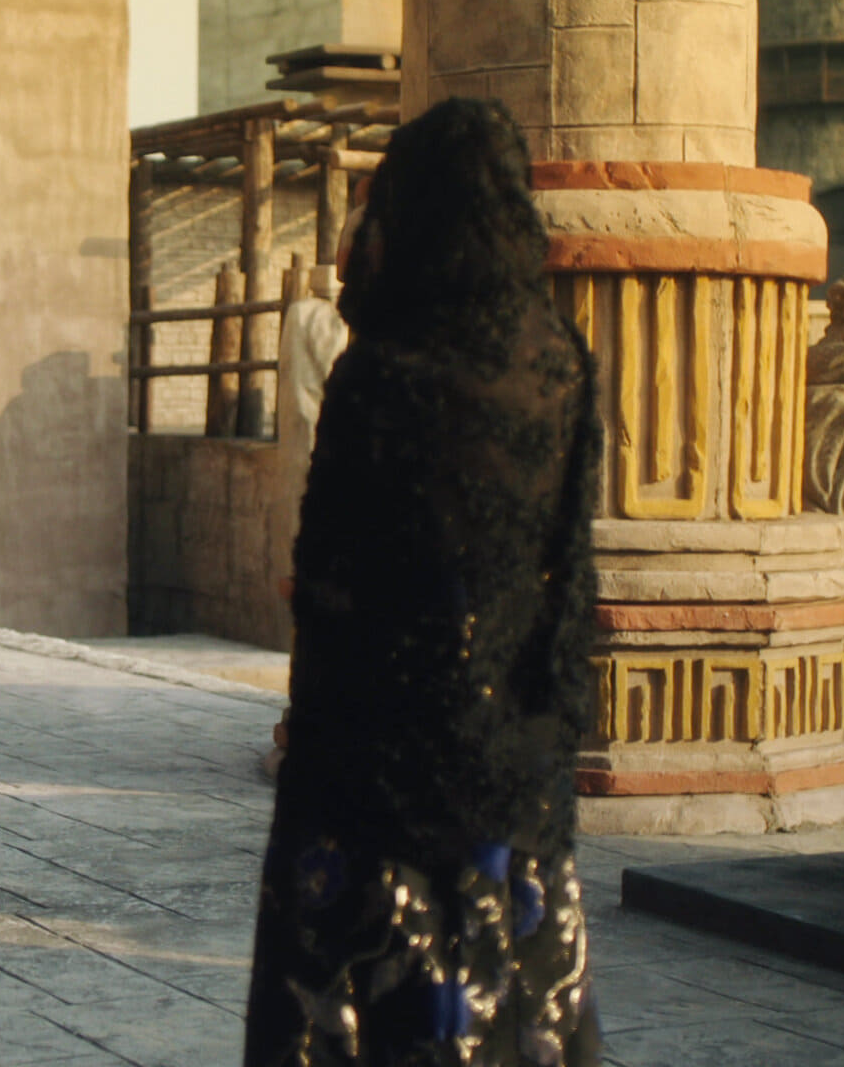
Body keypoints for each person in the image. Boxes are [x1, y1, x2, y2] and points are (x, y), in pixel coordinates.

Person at [244, 99, 603, 1065]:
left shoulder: (381, 375)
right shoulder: (564, 367)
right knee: (512, 1005)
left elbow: (330, 587)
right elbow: (567, 576)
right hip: (515, 768)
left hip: (377, 774)